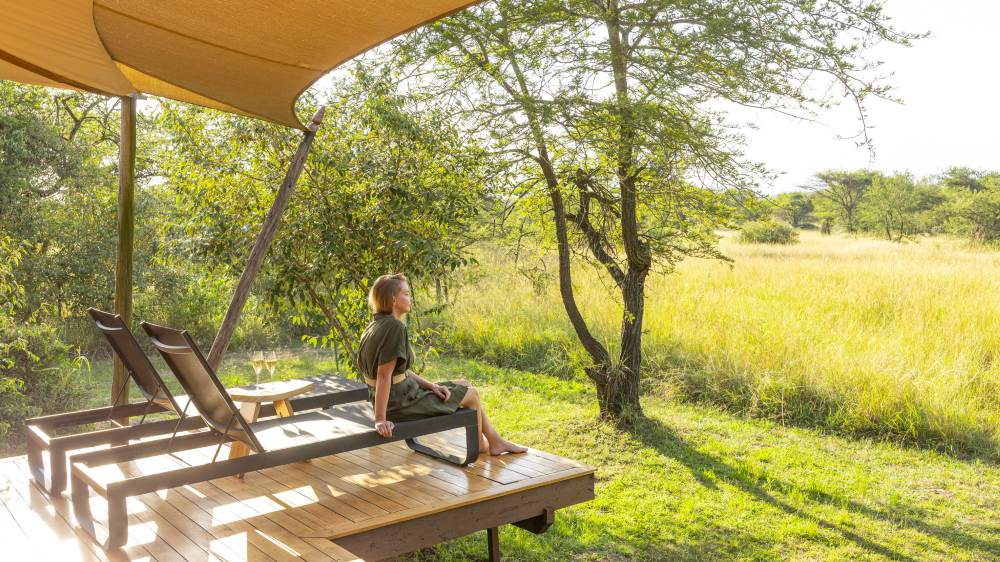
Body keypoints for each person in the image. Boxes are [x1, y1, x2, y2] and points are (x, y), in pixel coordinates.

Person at [356, 273, 526, 456]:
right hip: (400, 403)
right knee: (472, 395)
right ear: (393, 299)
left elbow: (399, 371)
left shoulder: (374, 326)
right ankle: (483, 445)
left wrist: (432, 386)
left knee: (464, 384)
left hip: (398, 396)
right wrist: (380, 419)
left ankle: (494, 442)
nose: (410, 298)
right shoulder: (395, 328)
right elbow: (383, 375)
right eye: (406, 294)